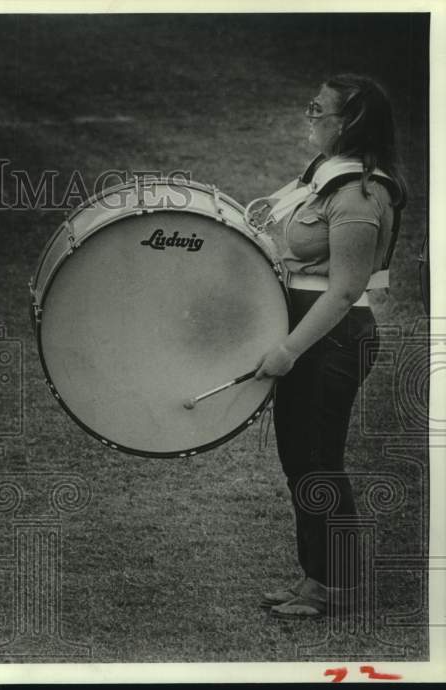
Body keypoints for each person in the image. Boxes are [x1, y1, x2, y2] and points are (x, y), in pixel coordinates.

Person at [251, 74, 406, 619]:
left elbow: (344, 290)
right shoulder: (326, 179)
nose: (309, 117)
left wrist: (288, 350)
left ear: (350, 123)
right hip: (314, 333)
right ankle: (317, 577)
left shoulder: (361, 193)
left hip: (332, 339)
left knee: (318, 463)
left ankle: (334, 587)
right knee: (302, 462)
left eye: (318, 109)